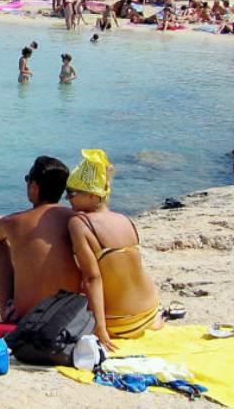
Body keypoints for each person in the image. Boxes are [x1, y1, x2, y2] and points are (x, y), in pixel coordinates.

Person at [0, 156, 82, 322]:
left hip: (23, 318)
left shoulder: (15, 222)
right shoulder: (76, 218)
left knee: (0, 243)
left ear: (34, 187)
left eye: (28, 179)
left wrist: (2, 220)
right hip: (66, 313)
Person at [66, 149, 162, 350]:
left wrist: (100, 328)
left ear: (92, 195)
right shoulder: (125, 220)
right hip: (150, 311)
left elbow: (93, 278)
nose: (67, 199)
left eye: (72, 193)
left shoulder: (80, 223)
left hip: (120, 321)